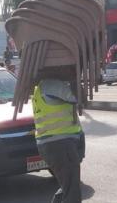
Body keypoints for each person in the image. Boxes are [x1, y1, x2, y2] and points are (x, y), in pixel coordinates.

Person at [33, 68, 84, 203]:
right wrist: (75, 80)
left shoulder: (41, 87)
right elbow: (77, 98)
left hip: (54, 144)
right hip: (60, 144)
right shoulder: (52, 85)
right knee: (72, 191)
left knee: (67, 186)